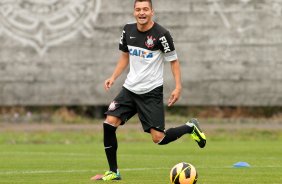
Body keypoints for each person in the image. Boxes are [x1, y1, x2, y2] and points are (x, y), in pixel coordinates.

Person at [91, 0, 206, 181]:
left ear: (152, 11)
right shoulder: (127, 30)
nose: (141, 13)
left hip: (151, 92)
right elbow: (124, 57)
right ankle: (114, 171)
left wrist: (178, 87)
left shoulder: (162, 35)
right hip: (129, 90)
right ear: (134, 12)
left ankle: (190, 128)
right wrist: (113, 77)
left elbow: (173, 61)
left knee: (158, 138)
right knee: (108, 124)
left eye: (145, 9)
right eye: (138, 9)